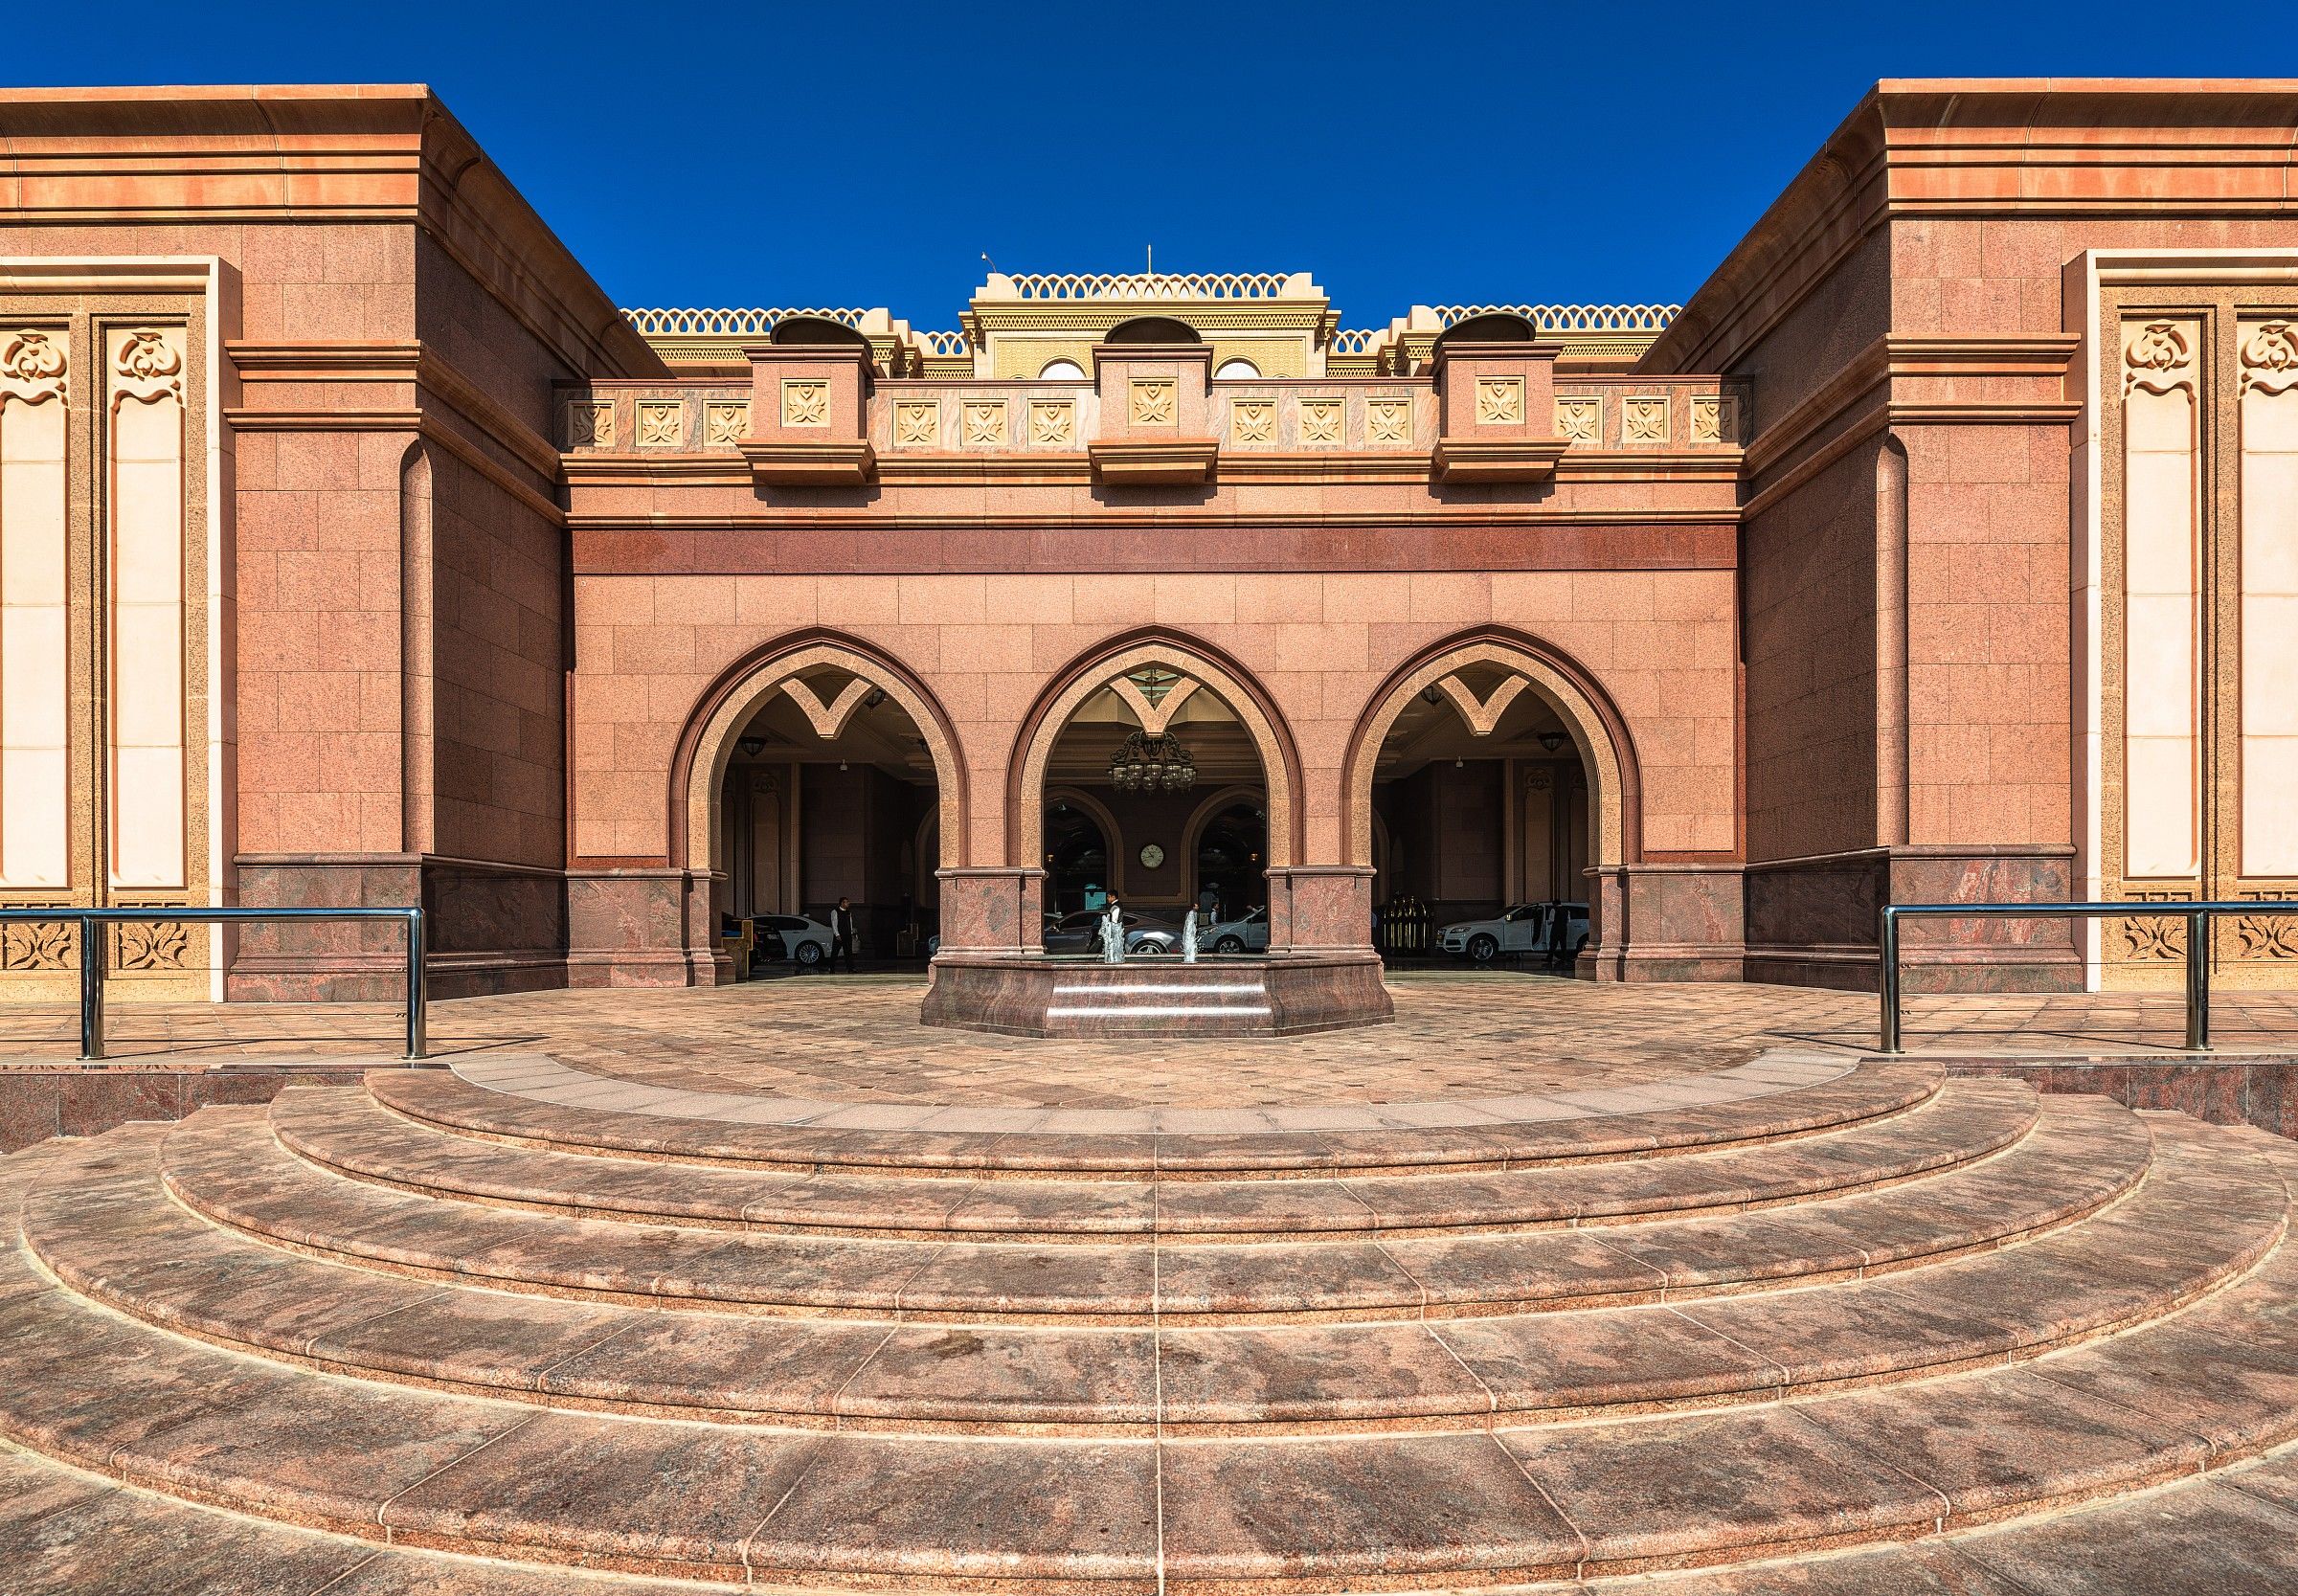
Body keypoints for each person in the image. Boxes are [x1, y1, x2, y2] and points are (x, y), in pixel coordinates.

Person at [828, 896, 859, 973]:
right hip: (840, 935)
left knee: (848, 952)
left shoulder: (848, 912)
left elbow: (850, 923)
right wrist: (837, 934)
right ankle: (831, 968)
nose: (848, 903)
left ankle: (850, 968)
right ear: (842, 903)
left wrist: (851, 932)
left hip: (847, 934)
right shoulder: (835, 911)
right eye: (846, 902)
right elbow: (834, 923)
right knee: (835, 952)